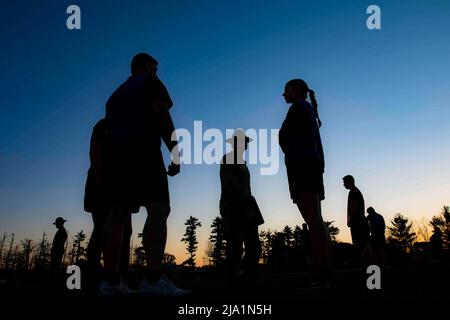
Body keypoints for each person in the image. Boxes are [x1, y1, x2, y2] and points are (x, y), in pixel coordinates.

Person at [100, 53, 189, 296]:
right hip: (143, 151)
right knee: (158, 208)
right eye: (156, 68)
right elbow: (161, 113)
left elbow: (107, 132)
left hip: (115, 157)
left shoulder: (114, 96)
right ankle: (153, 279)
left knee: (117, 214)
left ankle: (110, 282)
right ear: (148, 66)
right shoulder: (151, 82)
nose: (157, 72)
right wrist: (175, 152)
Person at [279, 79, 332, 287]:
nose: (283, 94)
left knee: (313, 219)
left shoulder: (299, 108)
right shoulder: (305, 109)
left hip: (302, 167)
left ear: (297, 90)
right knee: (316, 219)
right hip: (309, 166)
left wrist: (288, 147)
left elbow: (289, 138)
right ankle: (325, 269)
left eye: (286, 90)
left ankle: (324, 272)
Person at [84, 118, 138, 292]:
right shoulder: (104, 124)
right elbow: (94, 150)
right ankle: (95, 277)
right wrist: (99, 176)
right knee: (101, 228)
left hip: (122, 182)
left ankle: (118, 278)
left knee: (125, 230)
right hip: (103, 180)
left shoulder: (130, 125)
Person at [219, 129, 263, 283]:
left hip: (246, 206)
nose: (245, 145)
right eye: (242, 141)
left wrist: (249, 203)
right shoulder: (228, 159)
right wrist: (245, 201)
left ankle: (248, 273)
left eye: (245, 142)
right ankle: (233, 275)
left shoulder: (242, 163)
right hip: (233, 207)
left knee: (253, 244)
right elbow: (231, 184)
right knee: (235, 244)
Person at [343, 175, 372, 267]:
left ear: (350, 181)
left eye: (345, 182)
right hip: (361, 220)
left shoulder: (353, 192)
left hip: (358, 221)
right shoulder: (356, 191)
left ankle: (369, 263)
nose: (343, 185)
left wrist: (351, 220)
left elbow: (354, 207)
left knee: (362, 243)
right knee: (364, 243)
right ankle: (368, 263)